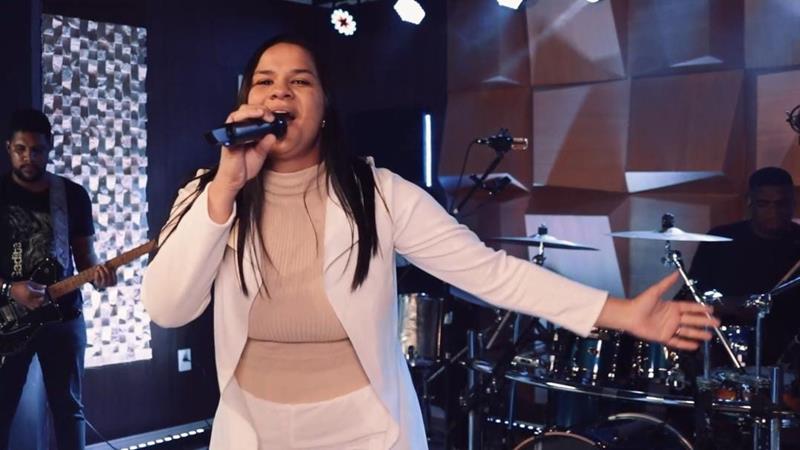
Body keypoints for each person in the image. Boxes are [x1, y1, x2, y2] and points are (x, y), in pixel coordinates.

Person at [141, 35, 718, 450]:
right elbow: (168, 307)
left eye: (300, 80)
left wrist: (620, 312)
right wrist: (225, 189)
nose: (280, 92)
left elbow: (489, 272)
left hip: (361, 431)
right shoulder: (211, 193)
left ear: (324, 108)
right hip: (250, 430)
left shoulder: (380, 194)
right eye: (265, 81)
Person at [0, 109, 117, 450]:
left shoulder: (72, 195)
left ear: (50, 147)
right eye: (20, 149)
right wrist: (10, 289)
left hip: (63, 318)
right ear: (8, 148)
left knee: (68, 411)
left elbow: (85, 259)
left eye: (37, 150)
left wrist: (99, 277)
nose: (28, 157)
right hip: (8, 319)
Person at [688, 166, 800, 366]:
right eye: (764, 204)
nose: (773, 211)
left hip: (790, 352)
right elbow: (692, 298)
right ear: (750, 202)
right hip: (728, 351)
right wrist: (733, 305)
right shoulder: (720, 240)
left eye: (781, 204)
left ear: (793, 203)